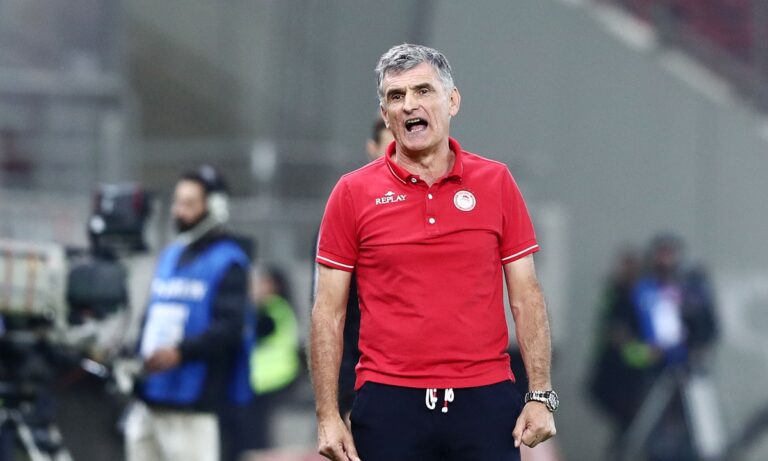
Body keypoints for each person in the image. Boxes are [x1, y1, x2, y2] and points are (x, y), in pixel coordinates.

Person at [310, 43, 557, 461]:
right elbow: (327, 312)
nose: (409, 104)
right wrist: (327, 414)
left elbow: (526, 295)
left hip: (485, 399)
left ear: (452, 101)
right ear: (386, 114)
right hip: (388, 403)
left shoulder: (496, 182)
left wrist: (540, 394)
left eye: (423, 90)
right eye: (396, 96)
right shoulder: (351, 193)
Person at [125, 165, 253, 461]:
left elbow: (229, 327)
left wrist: (180, 352)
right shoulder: (171, 255)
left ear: (215, 207)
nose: (178, 211)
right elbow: (152, 314)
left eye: (188, 204)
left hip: (195, 403)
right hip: (151, 396)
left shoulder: (229, 261)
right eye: (177, 202)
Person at [331, 118, 394, 427]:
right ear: (372, 149)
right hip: (366, 385)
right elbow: (332, 317)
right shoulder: (349, 210)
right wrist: (341, 399)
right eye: (390, 148)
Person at [247, 265, 302, 449]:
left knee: (260, 434)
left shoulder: (274, 308)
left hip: (273, 379)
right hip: (269, 380)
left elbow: (258, 328)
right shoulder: (280, 308)